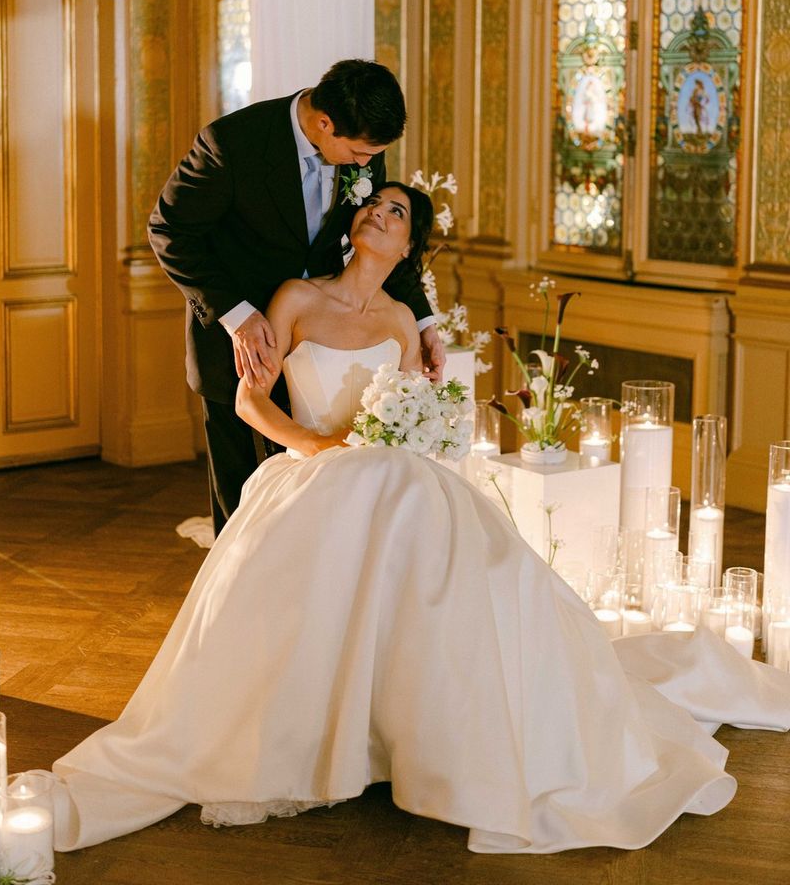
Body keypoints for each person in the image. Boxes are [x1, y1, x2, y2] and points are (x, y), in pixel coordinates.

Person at [51, 184, 790, 856]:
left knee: (435, 517)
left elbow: (404, 421)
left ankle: (434, 734)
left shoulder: (406, 321)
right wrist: (315, 445)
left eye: (397, 213)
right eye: (373, 205)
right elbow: (249, 402)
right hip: (311, 472)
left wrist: (407, 435)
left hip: (389, 474)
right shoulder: (296, 300)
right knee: (383, 490)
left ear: (408, 249)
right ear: (353, 224)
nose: (379, 213)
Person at [148, 59, 444, 533]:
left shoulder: (358, 147)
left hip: (324, 349)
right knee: (244, 512)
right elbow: (170, 230)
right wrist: (238, 316)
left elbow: (383, 253)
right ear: (324, 124)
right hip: (242, 348)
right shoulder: (232, 143)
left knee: (317, 511)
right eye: (361, 153)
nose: (367, 166)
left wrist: (426, 324)